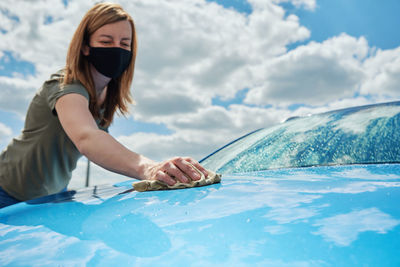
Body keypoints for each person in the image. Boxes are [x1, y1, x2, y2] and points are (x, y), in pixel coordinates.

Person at [0, 3, 208, 208]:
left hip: (51, 195)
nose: (117, 49)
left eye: (125, 43)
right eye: (106, 41)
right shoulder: (64, 84)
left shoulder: (107, 98)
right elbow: (87, 136)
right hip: (7, 189)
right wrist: (150, 168)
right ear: (85, 47)